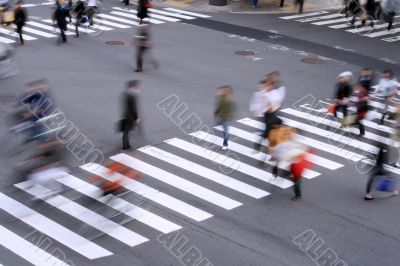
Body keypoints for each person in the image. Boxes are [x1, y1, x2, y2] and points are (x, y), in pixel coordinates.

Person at [255, 72, 286, 152]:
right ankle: (267, 146)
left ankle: (262, 145)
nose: (275, 79)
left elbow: (279, 98)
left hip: (273, 112)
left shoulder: (276, 87)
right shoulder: (265, 89)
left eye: (275, 77)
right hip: (268, 114)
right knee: (269, 131)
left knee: (270, 131)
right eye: (273, 77)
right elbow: (263, 101)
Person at [214, 85, 235, 150]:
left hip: (226, 119)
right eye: (222, 91)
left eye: (224, 91)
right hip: (221, 118)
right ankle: (225, 140)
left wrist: (227, 116)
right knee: (223, 131)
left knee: (226, 132)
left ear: (228, 92)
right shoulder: (221, 98)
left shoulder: (229, 101)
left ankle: (225, 144)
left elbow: (231, 111)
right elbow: (219, 107)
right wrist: (216, 113)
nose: (222, 92)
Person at [121, 80, 140, 150]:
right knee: (127, 131)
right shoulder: (132, 95)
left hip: (126, 114)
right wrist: (136, 117)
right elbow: (134, 108)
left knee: (126, 131)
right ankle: (125, 145)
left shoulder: (126, 93)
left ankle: (126, 144)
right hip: (130, 116)